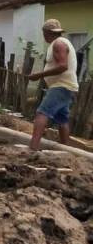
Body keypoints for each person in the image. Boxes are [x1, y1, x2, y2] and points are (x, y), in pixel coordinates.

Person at [28, 19, 78, 150]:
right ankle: (66, 150)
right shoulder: (61, 43)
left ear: (47, 32)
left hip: (62, 85)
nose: (43, 35)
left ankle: (32, 148)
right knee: (62, 119)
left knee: (42, 113)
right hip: (66, 86)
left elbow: (63, 66)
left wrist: (39, 75)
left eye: (43, 32)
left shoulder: (58, 44)